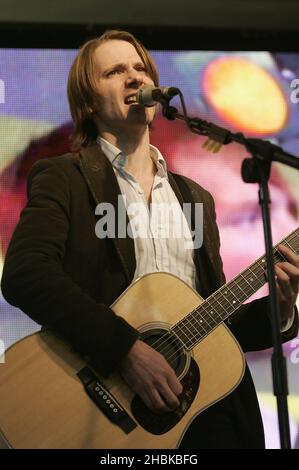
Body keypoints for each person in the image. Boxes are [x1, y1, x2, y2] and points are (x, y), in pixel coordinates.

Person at [1, 29, 299, 449]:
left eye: (141, 68)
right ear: (88, 102)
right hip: (103, 408)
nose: (134, 77)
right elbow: (25, 275)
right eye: (115, 71)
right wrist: (126, 351)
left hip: (203, 414)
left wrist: (279, 310)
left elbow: (211, 328)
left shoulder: (196, 198)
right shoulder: (65, 177)